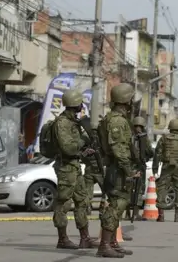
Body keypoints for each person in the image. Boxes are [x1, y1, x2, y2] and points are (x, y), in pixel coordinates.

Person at [51, 89, 100, 250]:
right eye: (80, 103)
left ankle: (84, 238)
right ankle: (62, 239)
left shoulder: (73, 122)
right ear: (75, 104)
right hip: (66, 168)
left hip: (75, 166)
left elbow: (76, 149)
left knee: (82, 200)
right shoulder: (62, 123)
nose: (81, 106)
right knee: (63, 203)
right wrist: (82, 142)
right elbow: (68, 148)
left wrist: (85, 150)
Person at [96, 83, 140, 258]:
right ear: (126, 100)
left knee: (119, 205)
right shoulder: (117, 121)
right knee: (116, 206)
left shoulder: (112, 118)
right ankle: (104, 245)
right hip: (118, 169)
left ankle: (112, 242)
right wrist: (129, 171)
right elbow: (119, 149)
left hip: (117, 167)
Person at [153, 119, 178, 222]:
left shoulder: (164, 139)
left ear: (170, 127)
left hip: (166, 166)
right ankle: (177, 216)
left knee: (162, 188)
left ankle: (161, 216)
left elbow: (157, 153)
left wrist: (155, 168)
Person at [128, 116, 153, 221]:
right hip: (139, 167)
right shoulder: (144, 138)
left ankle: (127, 214)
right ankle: (136, 213)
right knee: (139, 189)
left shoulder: (128, 136)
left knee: (128, 189)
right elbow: (150, 152)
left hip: (129, 166)